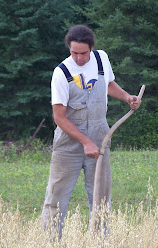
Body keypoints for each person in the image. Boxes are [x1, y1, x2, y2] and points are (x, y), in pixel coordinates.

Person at [42, 25, 141, 236]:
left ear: (92, 48)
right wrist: (85, 141)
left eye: (83, 53)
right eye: (74, 53)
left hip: (100, 135)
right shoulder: (61, 73)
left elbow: (108, 84)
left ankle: (99, 246)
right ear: (69, 49)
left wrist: (127, 97)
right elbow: (59, 117)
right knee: (56, 198)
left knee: (101, 197)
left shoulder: (101, 59)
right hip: (68, 142)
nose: (79, 58)